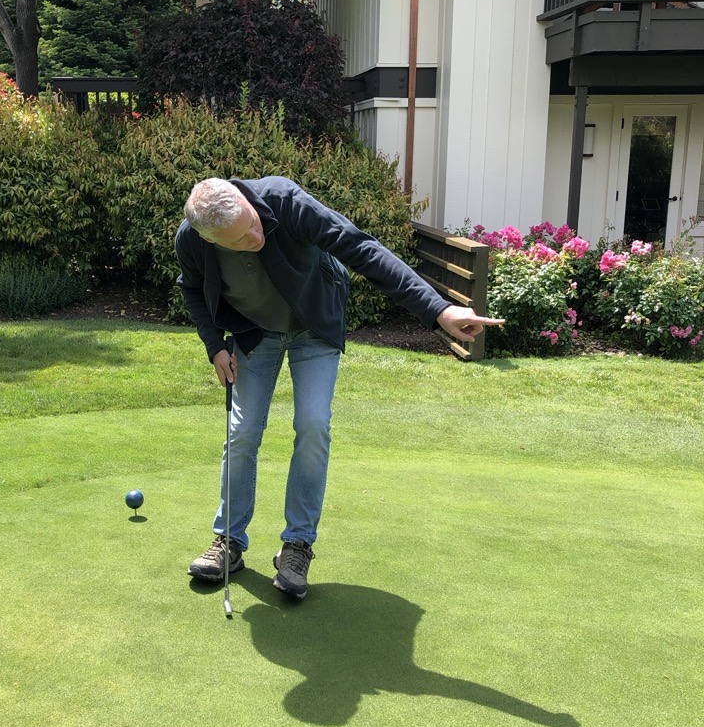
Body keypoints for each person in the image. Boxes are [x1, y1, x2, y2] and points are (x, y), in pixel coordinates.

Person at [176, 176, 504, 599]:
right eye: (238, 241)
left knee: (313, 424)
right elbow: (192, 290)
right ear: (210, 239)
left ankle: (297, 545)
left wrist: (437, 309)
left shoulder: (287, 202)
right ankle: (229, 541)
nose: (254, 238)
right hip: (252, 333)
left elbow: (361, 248)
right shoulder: (193, 239)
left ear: (245, 199)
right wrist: (213, 346)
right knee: (241, 433)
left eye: (253, 224)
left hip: (314, 326)